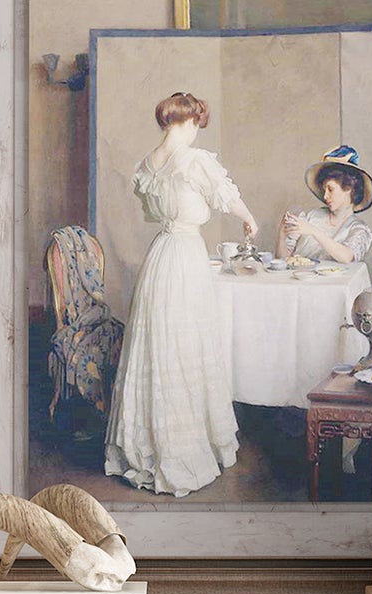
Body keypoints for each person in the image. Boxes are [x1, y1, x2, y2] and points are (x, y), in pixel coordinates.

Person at [104, 91, 258, 498]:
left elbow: (154, 214)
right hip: (185, 256)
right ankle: (180, 450)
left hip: (160, 258)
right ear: (188, 122)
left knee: (158, 347)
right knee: (184, 346)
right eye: (195, 125)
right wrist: (249, 220)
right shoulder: (194, 160)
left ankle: (148, 446)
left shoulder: (146, 166)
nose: (195, 132)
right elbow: (227, 198)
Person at [282, 144, 372, 268]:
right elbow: (283, 259)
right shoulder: (310, 217)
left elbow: (346, 257)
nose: (325, 196)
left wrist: (314, 231)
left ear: (348, 188)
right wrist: (282, 233)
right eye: (324, 190)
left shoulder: (358, 229)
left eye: (331, 189)